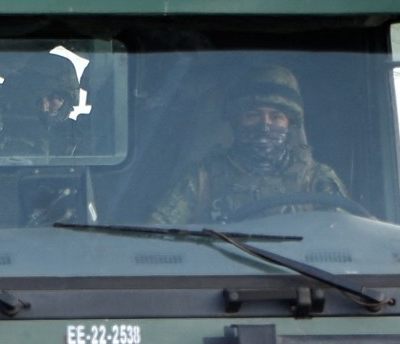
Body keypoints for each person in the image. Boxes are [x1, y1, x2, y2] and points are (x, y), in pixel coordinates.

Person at [149, 63, 348, 226]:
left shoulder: (316, 179)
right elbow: (156, 238)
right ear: (236, 121)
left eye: (277, 117)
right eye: (252, 116)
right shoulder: (201, 179)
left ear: (290, 123)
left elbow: (346, 239)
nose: (265, 126)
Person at [0, 52, 87, 157]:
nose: (44, 107)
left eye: (54, 99)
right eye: (35, 99)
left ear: (68, 104)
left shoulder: (82, 143)